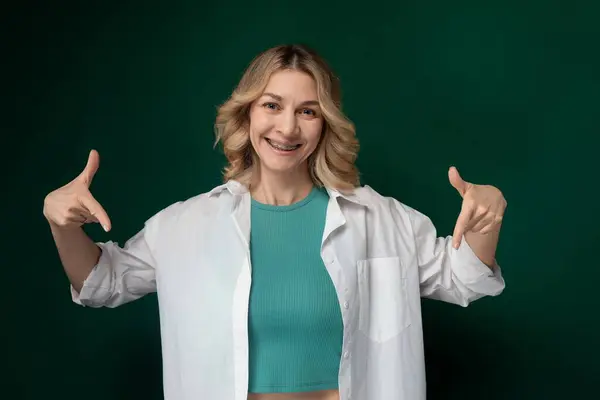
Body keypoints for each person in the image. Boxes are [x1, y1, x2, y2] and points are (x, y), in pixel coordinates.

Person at [43, 44, 507, 400]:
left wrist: (486, 221)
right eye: (271, 105)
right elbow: (100, 283)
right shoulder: (185, 225)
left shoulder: (381, 218)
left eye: (307, 111)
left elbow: (463, 278)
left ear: (325, 123)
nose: (288, 128)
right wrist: (63, 225)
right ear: (246, 112)